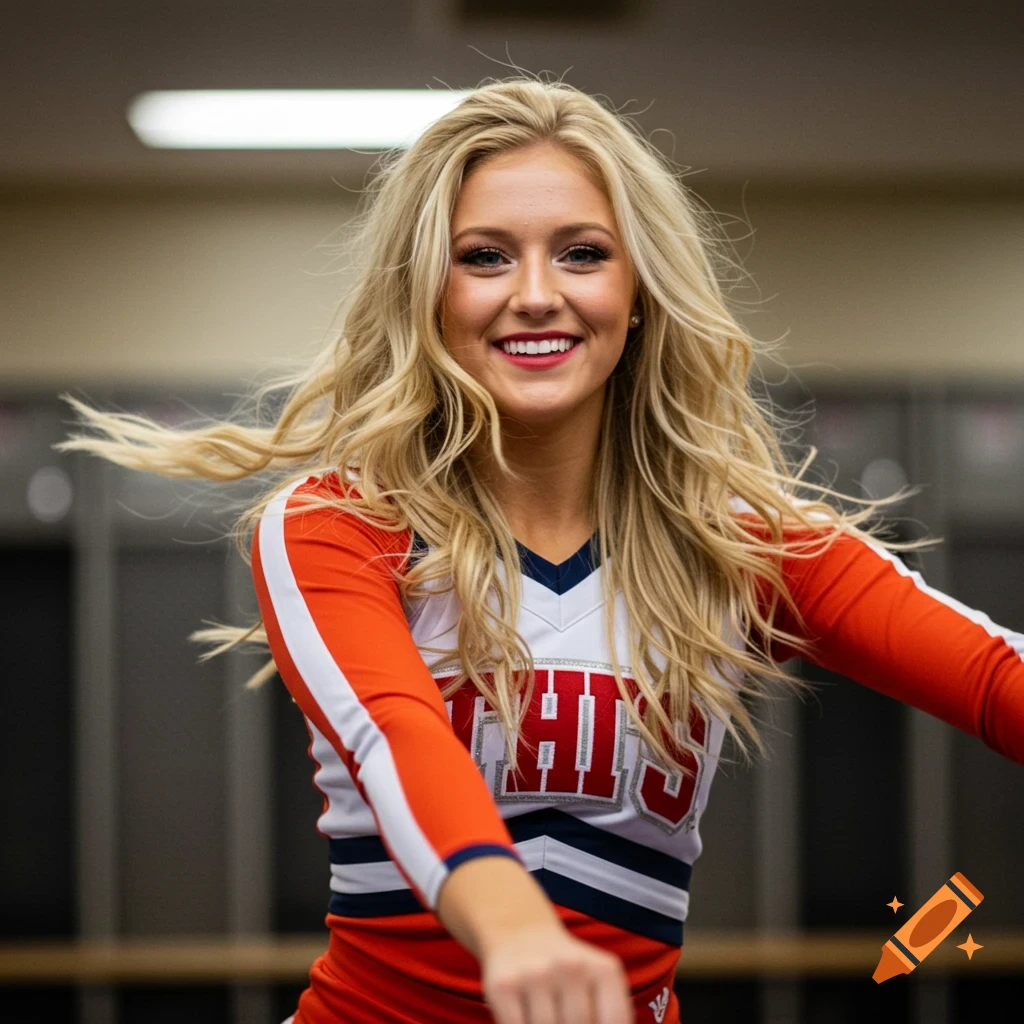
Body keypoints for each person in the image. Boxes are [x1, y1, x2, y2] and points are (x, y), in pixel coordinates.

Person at [57, 76, 1024, 1024]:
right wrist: (514, 925)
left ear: (637, 291)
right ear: (426, 295)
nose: (534, 295)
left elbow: (991, 679)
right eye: (483, 256)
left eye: (581, 254)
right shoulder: (336, 525)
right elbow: (395, 735)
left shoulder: (738, 543)